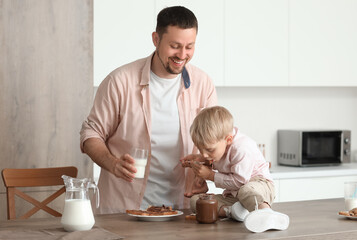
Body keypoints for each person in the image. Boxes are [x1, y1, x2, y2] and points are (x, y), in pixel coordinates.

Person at [80, 6, 217, 214]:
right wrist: (112, 163)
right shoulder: (119, 81)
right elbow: (90, 135)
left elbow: (216, 139)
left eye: (189, 46)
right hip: (124, 210)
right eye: (174, 46)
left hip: (182, 209)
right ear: (156, 39)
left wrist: (208, 165)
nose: (182, 55)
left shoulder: (202, 84)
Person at [181, 106, 289, 233]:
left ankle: (266, 212)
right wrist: (199, 160)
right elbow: (215, 161)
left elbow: (239, 182)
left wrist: (210, 175)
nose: (204, 154)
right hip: (235, 195)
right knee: (198, 202)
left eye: (209, 150)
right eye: (200, 149)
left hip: (259, 186)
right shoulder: (217, 150)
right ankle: (233, 211)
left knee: (245, 190)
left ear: (228, 139)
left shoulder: (241, 147)